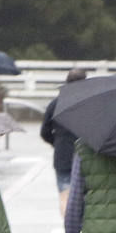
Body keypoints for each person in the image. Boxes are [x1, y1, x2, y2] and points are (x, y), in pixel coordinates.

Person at [40, 68, 88, 215]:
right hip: (85, 155)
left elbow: (44, 131)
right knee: (85, 196)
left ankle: (68, 231)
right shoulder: (88, 103)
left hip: (62, 156)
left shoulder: (55, 103)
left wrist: (56, 142)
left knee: (65, 195)